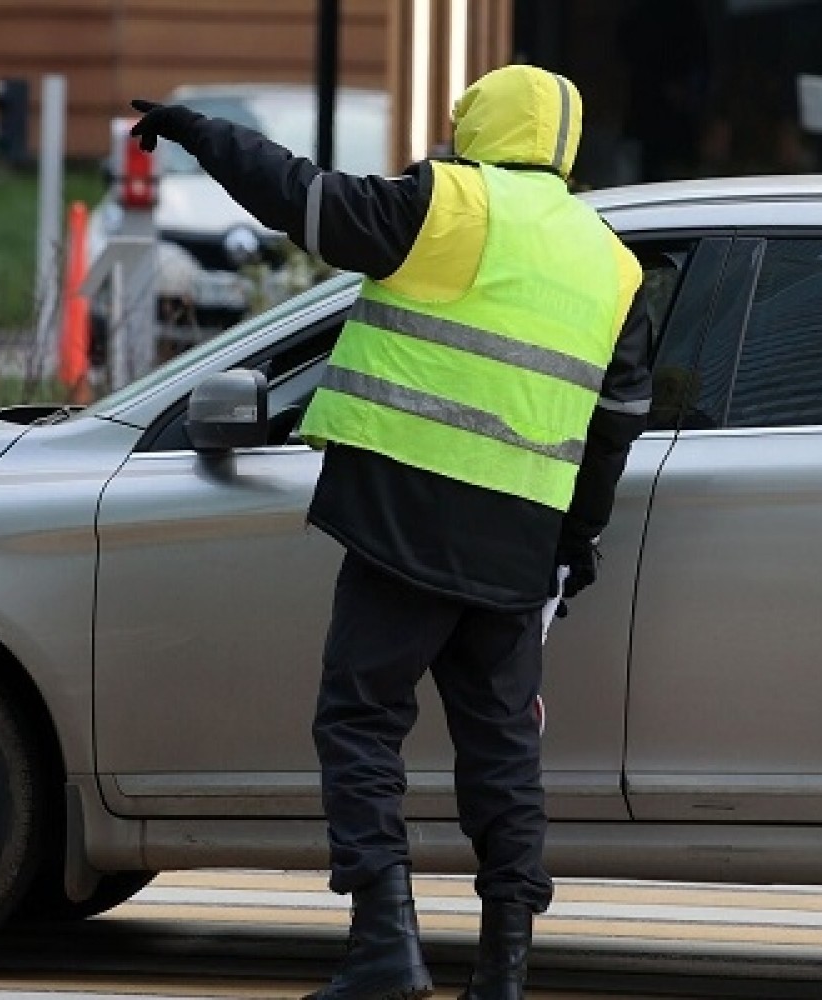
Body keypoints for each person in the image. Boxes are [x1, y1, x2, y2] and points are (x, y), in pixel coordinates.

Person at [131, 64, 652, 1000]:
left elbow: (304, 199)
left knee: (362, 720)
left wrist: (203, 131)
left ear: (480, 124)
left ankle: (383, 947)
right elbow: (617, 423)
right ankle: (503, 972)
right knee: (502, 753)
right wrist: (573, 546)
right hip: (519, 539)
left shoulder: (449, 204)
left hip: (411, 514)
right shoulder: (610, 261)